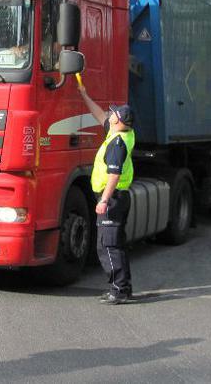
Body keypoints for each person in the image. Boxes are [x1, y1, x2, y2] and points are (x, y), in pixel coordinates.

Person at [77, 83, 136, 305]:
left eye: (114, 113)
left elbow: (114, 174)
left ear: (118, 121)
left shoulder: (117, 143)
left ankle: (119, 290)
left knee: (108, 245)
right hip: (117, 198)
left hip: (112, 197)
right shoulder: (121, 133)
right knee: (116, 244)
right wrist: (85, 95)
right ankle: (121, 288)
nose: (110, 114)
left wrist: (103, 200)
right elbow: (99, 113)